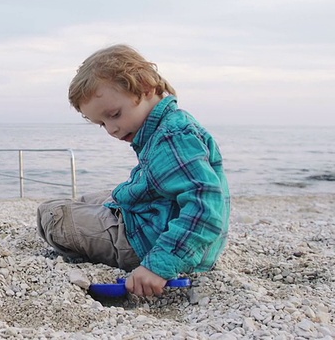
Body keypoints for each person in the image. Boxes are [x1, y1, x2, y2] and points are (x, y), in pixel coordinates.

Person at [37, 44, 230, 296]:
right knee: (93, 198)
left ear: (145, 87)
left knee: (51, 215)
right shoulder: (167, 125)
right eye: (102, 124)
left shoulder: (172, 137)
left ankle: (118, 246)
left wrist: (158, 267)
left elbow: (206, 207)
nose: (112, 130)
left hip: (153, 244)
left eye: (114, 114)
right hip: (169, 230)